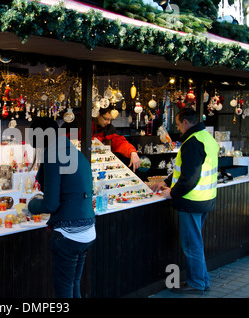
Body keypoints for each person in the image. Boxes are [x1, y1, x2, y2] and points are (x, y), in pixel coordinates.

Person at [150, 107, 219, 294]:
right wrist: (164, 181)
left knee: (191, 245)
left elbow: (189, 178)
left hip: (192, 201)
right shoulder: (207, 138)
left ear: (187, 123)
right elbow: (185, 171)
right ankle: (203, 280)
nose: (179, 129)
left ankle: (196, 283)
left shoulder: (192, 142)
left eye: (179, 125)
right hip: (205, 199)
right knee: (196, 242)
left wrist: (171, 193)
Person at [26, 117, 96, 298]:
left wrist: (32, 205)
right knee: (74, 284)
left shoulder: (53, 155)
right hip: (88, 229)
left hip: (69, 233)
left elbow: (51, 203)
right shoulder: (73, 151)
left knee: (64, 290)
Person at [92, 107, 141, 171]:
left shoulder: (109, 128)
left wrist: (132, 152)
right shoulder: (80, 124)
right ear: (97, 115)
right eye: (106, 119)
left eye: (110, 120)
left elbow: (119, 141)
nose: (109, 122)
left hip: (99, 164)